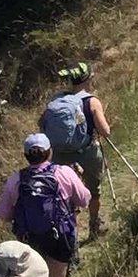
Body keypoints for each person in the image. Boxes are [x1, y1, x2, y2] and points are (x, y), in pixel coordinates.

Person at [0, 131, 89, 277]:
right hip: (59, 237)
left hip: (29, 238)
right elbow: (84, 200)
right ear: (49, 152)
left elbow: (3, 215)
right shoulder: (63, 172)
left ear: (26, 156)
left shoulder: (16, 180)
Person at [36, 64, 111, 238]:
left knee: (64, 196)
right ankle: (94, 226)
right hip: (87, 153)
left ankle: (70, 237)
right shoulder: (91, 101)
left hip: (60, 155)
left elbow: (42, 125)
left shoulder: (57, 100)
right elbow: (105, 132)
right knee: (94, 191)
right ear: (87, 79)